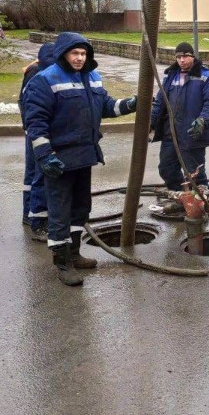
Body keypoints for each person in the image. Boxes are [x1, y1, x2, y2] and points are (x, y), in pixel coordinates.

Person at [22, 32, 137, 286]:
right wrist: (45, 155)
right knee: (60, 212)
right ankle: (62, 262)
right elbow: (35, 124)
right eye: (75, 53)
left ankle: (74, 254)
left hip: (84, 156)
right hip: (59, 161)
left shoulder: (92, 77)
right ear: (64, 53)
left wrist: (129, 104)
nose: (79, 58)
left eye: (83, 54)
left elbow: (105, 105)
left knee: (80, 208)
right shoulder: (45, 80)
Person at [150, 41, 209, 192]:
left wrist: (203, 121)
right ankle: (180, 197)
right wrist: (151, 120)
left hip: (192, 134)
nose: (182, 60)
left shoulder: (206, 77)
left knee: (195, 174)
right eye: (178, 57)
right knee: (166, 169)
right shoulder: (170, 77)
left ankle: (200, 206)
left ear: (193, 57)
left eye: (185, 56)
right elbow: (159, 103)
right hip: (171, 134)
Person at [18, 42, 55, 241]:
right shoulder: (35, 73)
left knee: (35, 173)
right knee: (36, 174)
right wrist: (30, 128)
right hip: (35, 131)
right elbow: (25, 102)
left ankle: (30, 215)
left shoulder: (38, 69)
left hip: (37, 129)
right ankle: (33, 217)